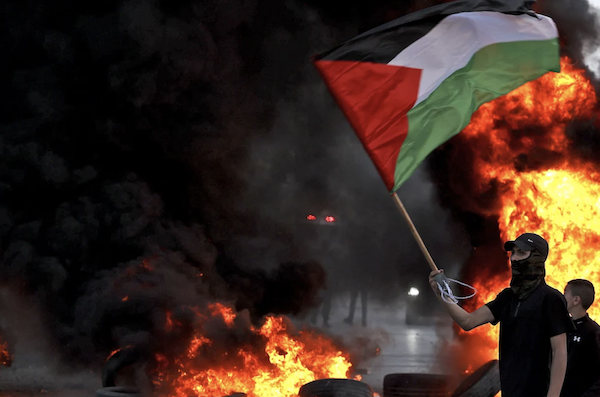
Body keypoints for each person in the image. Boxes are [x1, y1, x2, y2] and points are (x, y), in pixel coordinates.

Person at [429, 233, 574, 397]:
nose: (514, 259)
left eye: (522, 253)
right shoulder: (507, 298)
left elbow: (559, 352)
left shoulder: (551, 298)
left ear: (537, 258)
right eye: (513, 253)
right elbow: (468, 321)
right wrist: (441, 293)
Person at [560, 279, 600, 397]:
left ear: (576, 300)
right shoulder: (562, 328)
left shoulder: (593, 332)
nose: (562, 297)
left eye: (565, 293)